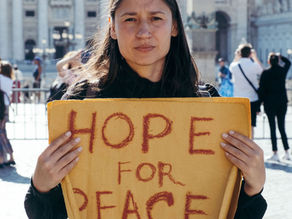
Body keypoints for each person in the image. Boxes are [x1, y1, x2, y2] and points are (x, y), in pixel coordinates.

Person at [24, 0, 267, 218]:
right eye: (130, 19)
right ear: (112, 28)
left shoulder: (206, 101)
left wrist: (252, 189)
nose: (143, 32)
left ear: (174, 27)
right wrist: (41, 187)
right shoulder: (79, 103)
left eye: (156, 18)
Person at [259, 53, 291, 161]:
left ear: (268, 62)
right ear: (278, 61)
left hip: (269, 104)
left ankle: (275, 153)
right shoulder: (282, 71)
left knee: (272, 128)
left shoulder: (265, 73)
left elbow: (261, 91)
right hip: (282, 103)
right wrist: (281, 56)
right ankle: (287, 152)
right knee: (282, 127)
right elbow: (288, 62)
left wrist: (259, 106)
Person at [229, 44, 263, 138]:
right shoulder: (254, 65)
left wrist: (236, 56)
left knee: (240, 123)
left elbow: (231, 67)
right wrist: (255, 57)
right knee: (251, 125)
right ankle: (251, 143)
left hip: (238, 98)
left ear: (240, 53)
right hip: (252, 99)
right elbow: (262, 72)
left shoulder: (234, 66)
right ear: (250, 54)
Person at [0, 61, 16, 167]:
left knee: (1, 134)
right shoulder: (9, 80)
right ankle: (10, 156)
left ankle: (1, 159)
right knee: (3, 132)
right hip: (5, 108)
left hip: (0, 108)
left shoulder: (0, 78)